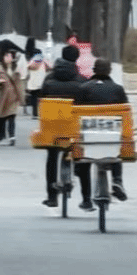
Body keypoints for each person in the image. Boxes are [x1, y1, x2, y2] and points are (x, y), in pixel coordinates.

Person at [39, 44, 92, 209]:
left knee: (51, 157)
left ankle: (51, 196)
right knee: (82, 157)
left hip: (53, 129)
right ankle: (86, 198)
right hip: (74, 129)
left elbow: (41, 100)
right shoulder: (82, 81)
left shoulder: (48, 79)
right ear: (77, 58)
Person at [76, 57, 129, 200]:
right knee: (116, 151)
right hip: (111, 135)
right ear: (110, 71)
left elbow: (75, 115)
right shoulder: (118, 89)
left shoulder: (83, 89)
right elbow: (125, 114)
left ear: (94, 70)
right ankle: (117, 180)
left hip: (89, 136)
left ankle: (86, 199)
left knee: (84, 160)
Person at [0, 49, 25, 145]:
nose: (8, 58)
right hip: (3, 98)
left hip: (13, 98)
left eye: (10, 56)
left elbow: (20, 84)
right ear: (3, 58)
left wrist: (22, 98)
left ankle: (12, 137)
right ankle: (1, 137)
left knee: (12, 117)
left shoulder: (16, 69)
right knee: (2, 119)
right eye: (6, 56)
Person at [25, 49, 47, 116]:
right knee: (40, 98)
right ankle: (40, 113)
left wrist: (28, 66)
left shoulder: (36, 59)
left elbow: (32, 67)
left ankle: (35, 114)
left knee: (34, 98)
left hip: (35, 82)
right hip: (41, 82)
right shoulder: (43, 60)